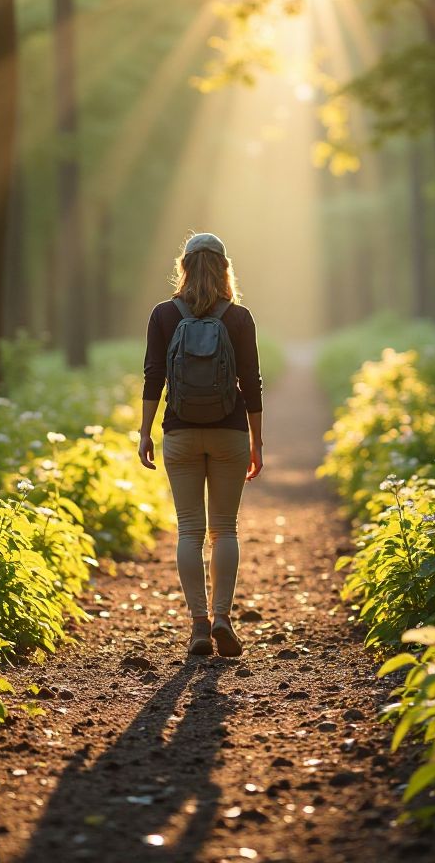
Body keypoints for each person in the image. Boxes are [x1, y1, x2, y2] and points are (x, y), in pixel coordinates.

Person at [137, 232, 263, 657]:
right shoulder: (240, 317)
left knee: (189, 530)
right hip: (230, 432)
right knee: (224, 528)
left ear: (184, 267)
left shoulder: (163, 315)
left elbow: (154, 376)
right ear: (225, 268)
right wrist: (257, 441)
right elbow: (252, 383)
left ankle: (197, 626)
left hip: (180, 432)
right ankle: (224, 616)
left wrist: (144, 432)